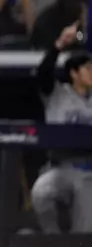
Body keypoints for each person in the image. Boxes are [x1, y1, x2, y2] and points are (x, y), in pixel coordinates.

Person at [31, 23, 92, 233]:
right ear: (74, 73)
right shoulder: (58, 94)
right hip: (62, 167)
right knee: (41, 192)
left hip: (88, 172)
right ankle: (52, 240)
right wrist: (59, 45)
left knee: (83, 233)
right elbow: (43, 73)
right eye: (88, 68)